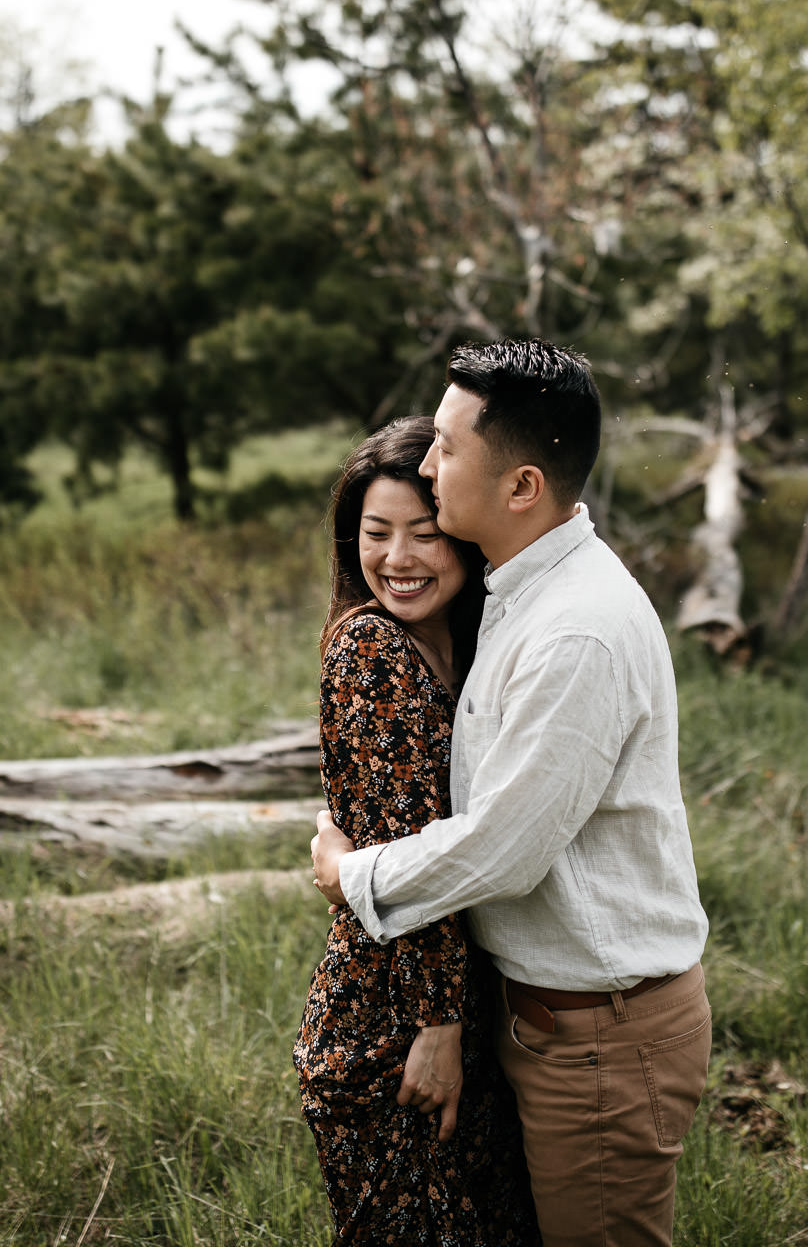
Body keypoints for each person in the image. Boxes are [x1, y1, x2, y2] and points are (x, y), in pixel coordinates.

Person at [310, 340, 712, 1247]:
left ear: (522, 485)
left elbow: (504, 847)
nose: (425, 464)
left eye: (447, 448)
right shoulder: (516, 592)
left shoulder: (576, 630)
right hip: (544, 1026)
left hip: (601, 1041)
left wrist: (354, 875)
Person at [293, 416, 540, 1247]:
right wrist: (436, 1028)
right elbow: (409, 861)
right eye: (375, 533)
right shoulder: (371, 649)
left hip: (455, 1012)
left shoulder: (465, 645)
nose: (397, 559)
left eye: (424, 533)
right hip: (390, 1029)